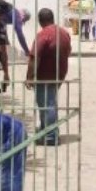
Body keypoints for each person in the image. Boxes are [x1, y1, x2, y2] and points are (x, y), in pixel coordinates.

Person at [25, 8, 71, 146]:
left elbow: (34, 58)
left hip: (45, 75)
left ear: (40, 21)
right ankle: (46, 131)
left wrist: (30, 76)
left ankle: (51, 136)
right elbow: (68, 51)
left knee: (47, 105)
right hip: (59, 74)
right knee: (49, 102)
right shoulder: (64, 33)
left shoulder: (43, 35)